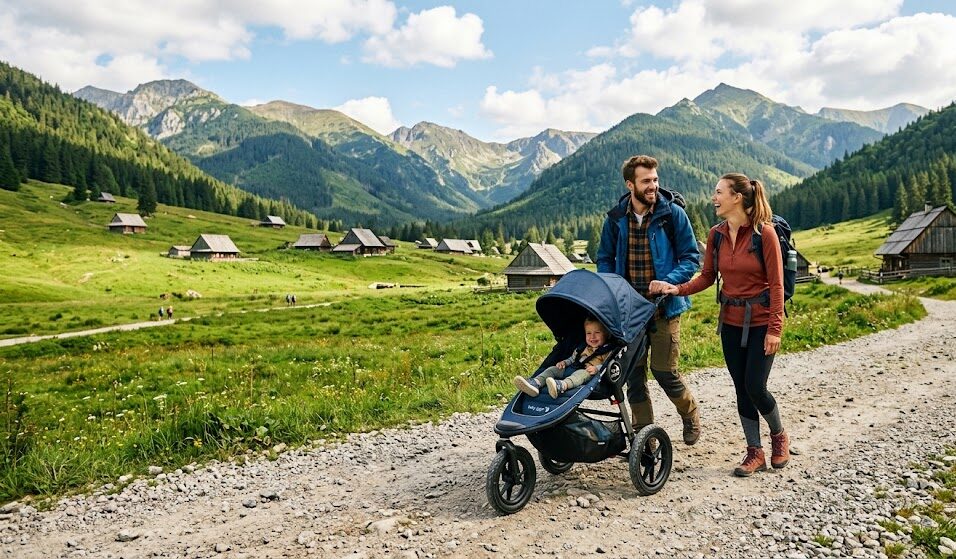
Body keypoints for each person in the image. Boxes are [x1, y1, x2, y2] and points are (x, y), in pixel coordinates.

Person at [649, 172, 791, 477]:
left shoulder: (763, 234)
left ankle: (779, 436)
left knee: (756, 385)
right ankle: (755, 452)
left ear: (736, 197)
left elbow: (777, 285)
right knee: (741, 388)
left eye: (718, 193)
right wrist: (677, 289)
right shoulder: (717, 234)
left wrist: (775, 329)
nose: (714, 198)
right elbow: (707, 276)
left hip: (761, 321)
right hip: (730, 322)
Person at [596, 155, 702, 445]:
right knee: (634, 376)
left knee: (665, 372)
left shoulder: (673, 215)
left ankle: (690, 413)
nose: (653, 185)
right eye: (646, 181)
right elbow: (604, 258)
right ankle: (645, 437)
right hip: (630, 311)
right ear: (631, 184)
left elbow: (691, 257)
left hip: (665, 308)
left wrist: (669, 281)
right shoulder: (616, 219)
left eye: (655, 179)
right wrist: (612, 286)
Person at [514, 316, 612, 398]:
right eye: (589, 333)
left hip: (587, 373)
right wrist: (564, 362)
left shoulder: (607, 350)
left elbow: (607, 364)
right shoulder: (582, 347)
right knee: (552, 369)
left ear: (606, 334)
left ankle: (561, 386)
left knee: (579, 375)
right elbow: (572, 359)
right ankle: (536, 383)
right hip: (572, 368)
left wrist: (596, 368)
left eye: (597, 333)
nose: (592, 337)